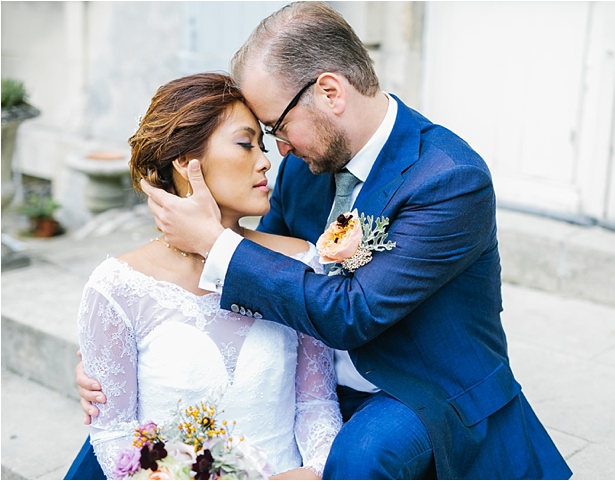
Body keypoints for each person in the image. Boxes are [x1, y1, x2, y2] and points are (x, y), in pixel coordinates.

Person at [78, 2, 573, 479]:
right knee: (134, 444)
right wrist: (119, 355)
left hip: (413, 382)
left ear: (330, 93)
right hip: (311, 363)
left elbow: (350, 313)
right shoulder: (304, 165)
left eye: (276, 127)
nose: (279, 151)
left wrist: (213, 242)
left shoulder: (447, 178)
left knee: (357, 457)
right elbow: (261, 270)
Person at [66, 72, 342, 480]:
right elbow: (114, 435)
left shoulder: (301, 262)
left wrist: (316, 469)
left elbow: (316, 404)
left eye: (263, 147)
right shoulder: (116, 288)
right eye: (246, 144)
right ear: (185, 161)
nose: (266, 161)